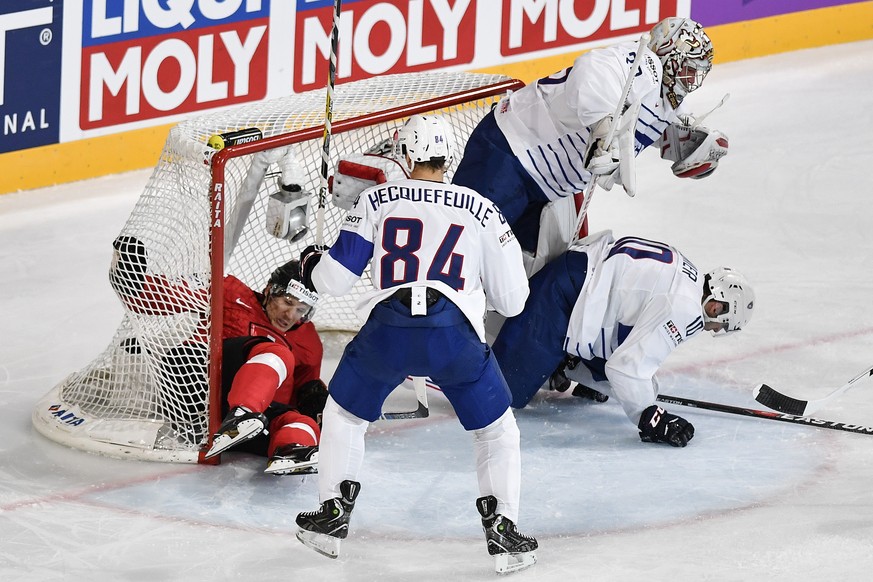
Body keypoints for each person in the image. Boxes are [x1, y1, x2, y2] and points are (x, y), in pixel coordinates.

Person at [293, 115, 538, 574]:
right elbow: (515, 300)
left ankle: (331, 514)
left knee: (344, 415)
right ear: (448, 158)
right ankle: (502, 528)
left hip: (387, 333)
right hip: (455, 338)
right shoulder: (481, 208)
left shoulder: (376, 199)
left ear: (405, 156)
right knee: (496, 431)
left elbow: (333, 281)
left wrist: (316, 262)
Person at [452, 17, 728, 274]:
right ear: (669, 54)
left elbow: (655, 129)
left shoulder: (668, 102)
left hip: (547, 186)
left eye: (697, 73)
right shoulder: (640, 63)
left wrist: (692, 147)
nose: (691, 81)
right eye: (688, 69)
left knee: (519, 267)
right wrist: (603, 128)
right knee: (461, 249)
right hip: (510, 152)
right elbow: (590, 72)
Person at [491, 230, 755, 447]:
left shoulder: (689, 277)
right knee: (500, 393)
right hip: (564, 297)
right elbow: (626, 369)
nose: (714, 330)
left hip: (581, 277)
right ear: (716, 307)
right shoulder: (685, 308)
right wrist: (649, 416)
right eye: (721, 325)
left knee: (640, 385)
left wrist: (642, 395)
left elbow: (629, 353)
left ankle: (568, 363)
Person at [109, 236, 328, 474]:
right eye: (287, 302)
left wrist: (315, 403)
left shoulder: (309, 341)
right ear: (269, 290)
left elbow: (304, 391)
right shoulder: (230, 292)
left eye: (302, 310)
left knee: (301, 422)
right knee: (276, 351)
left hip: (253, 421)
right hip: (200, 383)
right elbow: (154, 297)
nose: (291, 315)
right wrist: (132, 279)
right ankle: (243, 412)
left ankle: (290, 451)